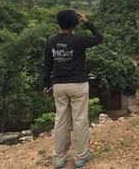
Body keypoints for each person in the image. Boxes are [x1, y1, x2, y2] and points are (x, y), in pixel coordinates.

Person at [43, 10, 103, 168]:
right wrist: (87, 21)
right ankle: (80, 157)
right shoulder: (79, 40)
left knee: (61, 121)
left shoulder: (51, 40)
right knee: (80, 120)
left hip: (59, 86)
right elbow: (99, 37)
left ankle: (59, 159)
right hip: (78, 85)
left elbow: (47, 66)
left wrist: (46, 84)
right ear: (74, 23)